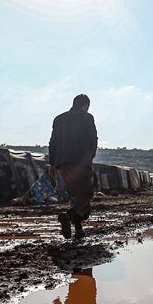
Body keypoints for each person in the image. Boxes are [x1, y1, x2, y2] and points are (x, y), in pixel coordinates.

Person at [49, 93, 98, 239]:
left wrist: (52, 163)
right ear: (86, 106)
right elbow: (93, 138)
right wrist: (90, 156)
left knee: (75, 196)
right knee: (86, 194)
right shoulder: (87, 117)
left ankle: (78, 230)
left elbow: (53, 142)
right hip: (81, 162)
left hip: (63, 162)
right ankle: (69, 215)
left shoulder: (59, 119)